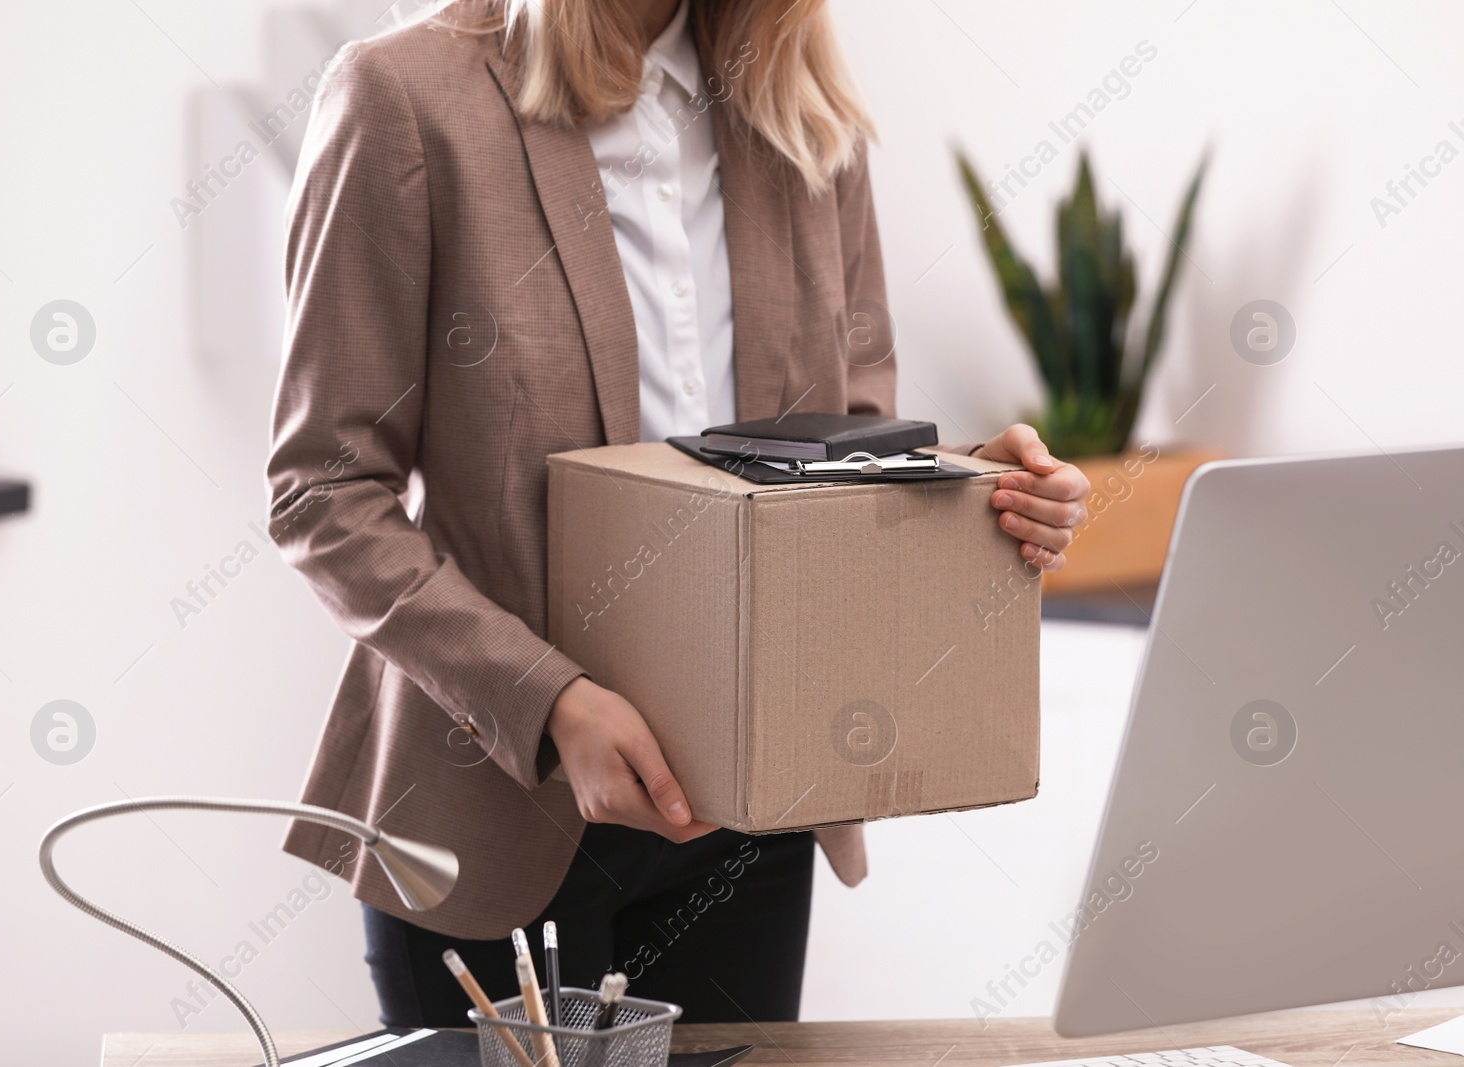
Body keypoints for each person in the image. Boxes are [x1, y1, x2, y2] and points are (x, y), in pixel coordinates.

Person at [265, 0, 1089, 1028]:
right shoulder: (403, 96)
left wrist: (981, 487)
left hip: (753, 807)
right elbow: (323, 492)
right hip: (493, 809)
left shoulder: (802, 112)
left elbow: (848, 447)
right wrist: (553, 702)